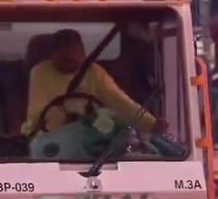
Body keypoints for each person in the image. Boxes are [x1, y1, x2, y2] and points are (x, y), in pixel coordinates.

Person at [21, 29, 166, 138]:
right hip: (49, 139)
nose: (69, 57)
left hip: (91, 139)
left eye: (74, 53)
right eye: (63, 54)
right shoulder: (40, 72)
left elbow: (120, 102)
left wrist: (151, 124)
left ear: (83, 54)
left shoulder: (93, 71)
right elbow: (38, 113)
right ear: (52, 54)